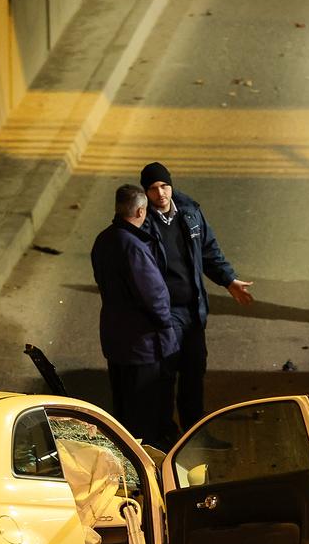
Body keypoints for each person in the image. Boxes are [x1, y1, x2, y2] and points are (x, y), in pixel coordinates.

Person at [139, 161, 254, 434]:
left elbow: (208, 251)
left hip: (193, 310)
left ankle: (195, 434)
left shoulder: (189, 213)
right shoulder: (142, 222)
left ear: (171, 185)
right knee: (166, 375)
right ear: (146, 192)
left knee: (194, 371)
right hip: (166, 314)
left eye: (164, 186)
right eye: (153, 189)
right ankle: (165, 436)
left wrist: (229, 280)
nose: (161, 193)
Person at [90, 184, 180, 446]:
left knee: (125, 411)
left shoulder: (103, 239)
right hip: (143, 346)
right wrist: (167, 328)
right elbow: (154, 296)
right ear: (141, 210)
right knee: (147, 415)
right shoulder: (134, 247)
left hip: (116, 340)